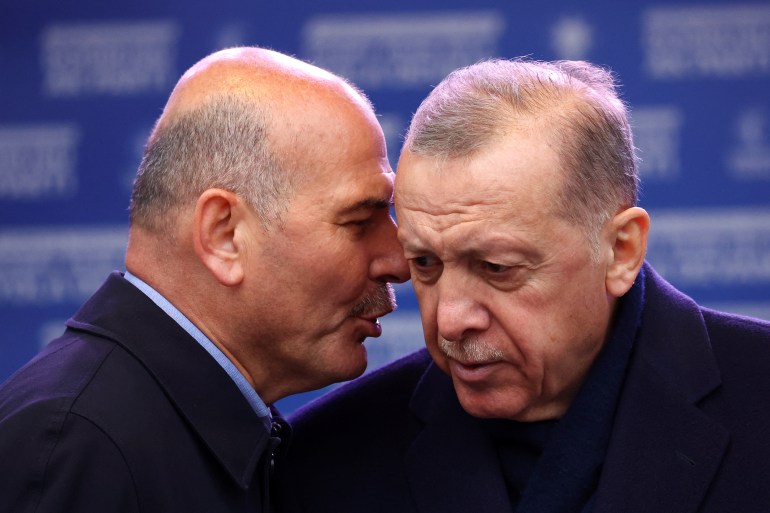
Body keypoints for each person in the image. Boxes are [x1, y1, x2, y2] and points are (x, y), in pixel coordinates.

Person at [276, 58, 770, 513]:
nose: (450, 319)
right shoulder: (322, 458)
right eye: (425, 263)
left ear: (621, 251)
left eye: (496, 268)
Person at [0, 46, 409, 513]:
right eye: (359, 221)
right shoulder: (76, 449)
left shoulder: (135, 432)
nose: (399, 260)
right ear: (224, 235)